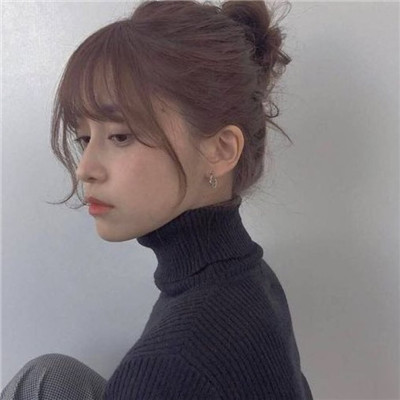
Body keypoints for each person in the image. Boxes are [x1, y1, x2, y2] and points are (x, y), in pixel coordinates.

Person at [1, 0, 314, 398]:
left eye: (120, 136)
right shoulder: (250, 276)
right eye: (84, 138)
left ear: (220, 149)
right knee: (48, 376)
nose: (85, 169)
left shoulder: (166, 367)